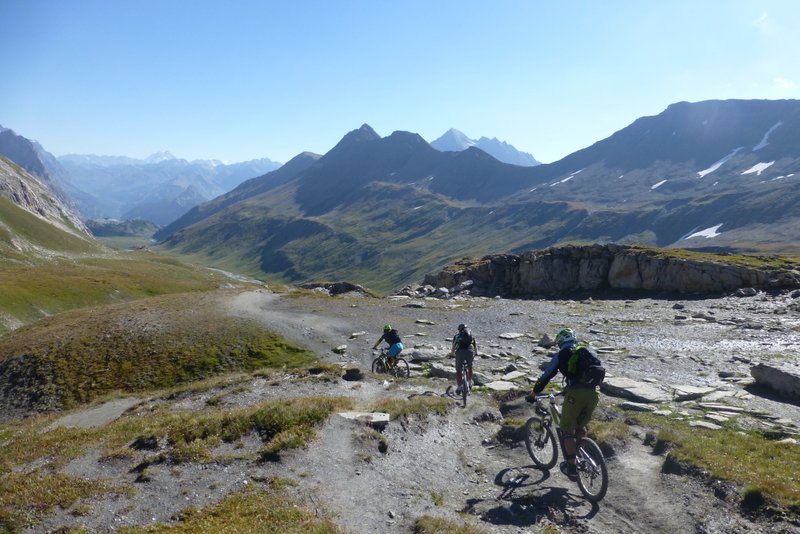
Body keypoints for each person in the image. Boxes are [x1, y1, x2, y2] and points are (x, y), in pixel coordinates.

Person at [527, 327, 600, 480]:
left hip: (576, 394)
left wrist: (534, 393)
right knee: (580, 427)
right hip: (593, 394)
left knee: (566, 430)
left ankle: (572, 466)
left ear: (561, 341)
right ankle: (581, 455)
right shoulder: (586, 351)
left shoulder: (562, 354)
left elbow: (546, 375)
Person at [449, 323, 477, 395]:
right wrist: (476, 353)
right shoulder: (471, 336)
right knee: (470, 367)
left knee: (458, 370)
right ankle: (469, 382)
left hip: (460, 352)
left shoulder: (457, 336)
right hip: (470, 352)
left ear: (459, 330)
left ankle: (459, 386)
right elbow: (475, 346)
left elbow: (454, 346)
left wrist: (451, 354)